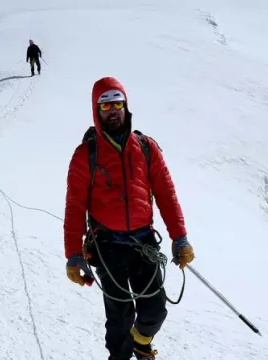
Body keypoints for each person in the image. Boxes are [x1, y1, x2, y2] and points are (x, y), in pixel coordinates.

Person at [63, 77, 195, 360]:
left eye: (118, 103)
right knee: (120, 316)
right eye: (106, 105)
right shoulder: (85, 154)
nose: (113, 110)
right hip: (107, 245)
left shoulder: (146, 148)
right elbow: (74, 206)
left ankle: (141, 343)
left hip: (143, 242)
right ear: (96, 111)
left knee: (155, 309)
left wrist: (179, 237)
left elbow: (166, 194)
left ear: (126, 106)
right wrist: (74, 254)